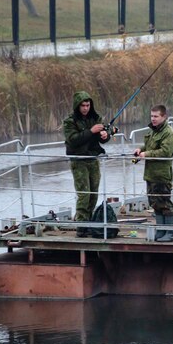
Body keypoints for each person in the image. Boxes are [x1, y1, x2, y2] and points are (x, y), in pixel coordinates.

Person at [63, 91, 112, 238]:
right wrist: (90, 131)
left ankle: (89, 223)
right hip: (78, 160)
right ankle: (81, 226)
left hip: (93, 158)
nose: (85, 108)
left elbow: (102, 138)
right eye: (83, 105)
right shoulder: (70, 121)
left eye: (88, 105)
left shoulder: (95, 118)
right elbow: (73, 140)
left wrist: (105, 135)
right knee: (84, 194)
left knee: (94, 193)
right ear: (77, 106)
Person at [134, 105, 173, 242]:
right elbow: (150, 146)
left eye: (156, 116)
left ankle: (170, 233)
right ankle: (161, 231)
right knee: (155, 204)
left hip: (161, 175)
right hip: (151, 174)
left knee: (165, 204)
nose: (153, 119)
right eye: (151, 116)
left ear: (164, 117)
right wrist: (140, 149)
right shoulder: (154, 131)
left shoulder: (168, 133)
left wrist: (146, 154)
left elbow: (165, 152)